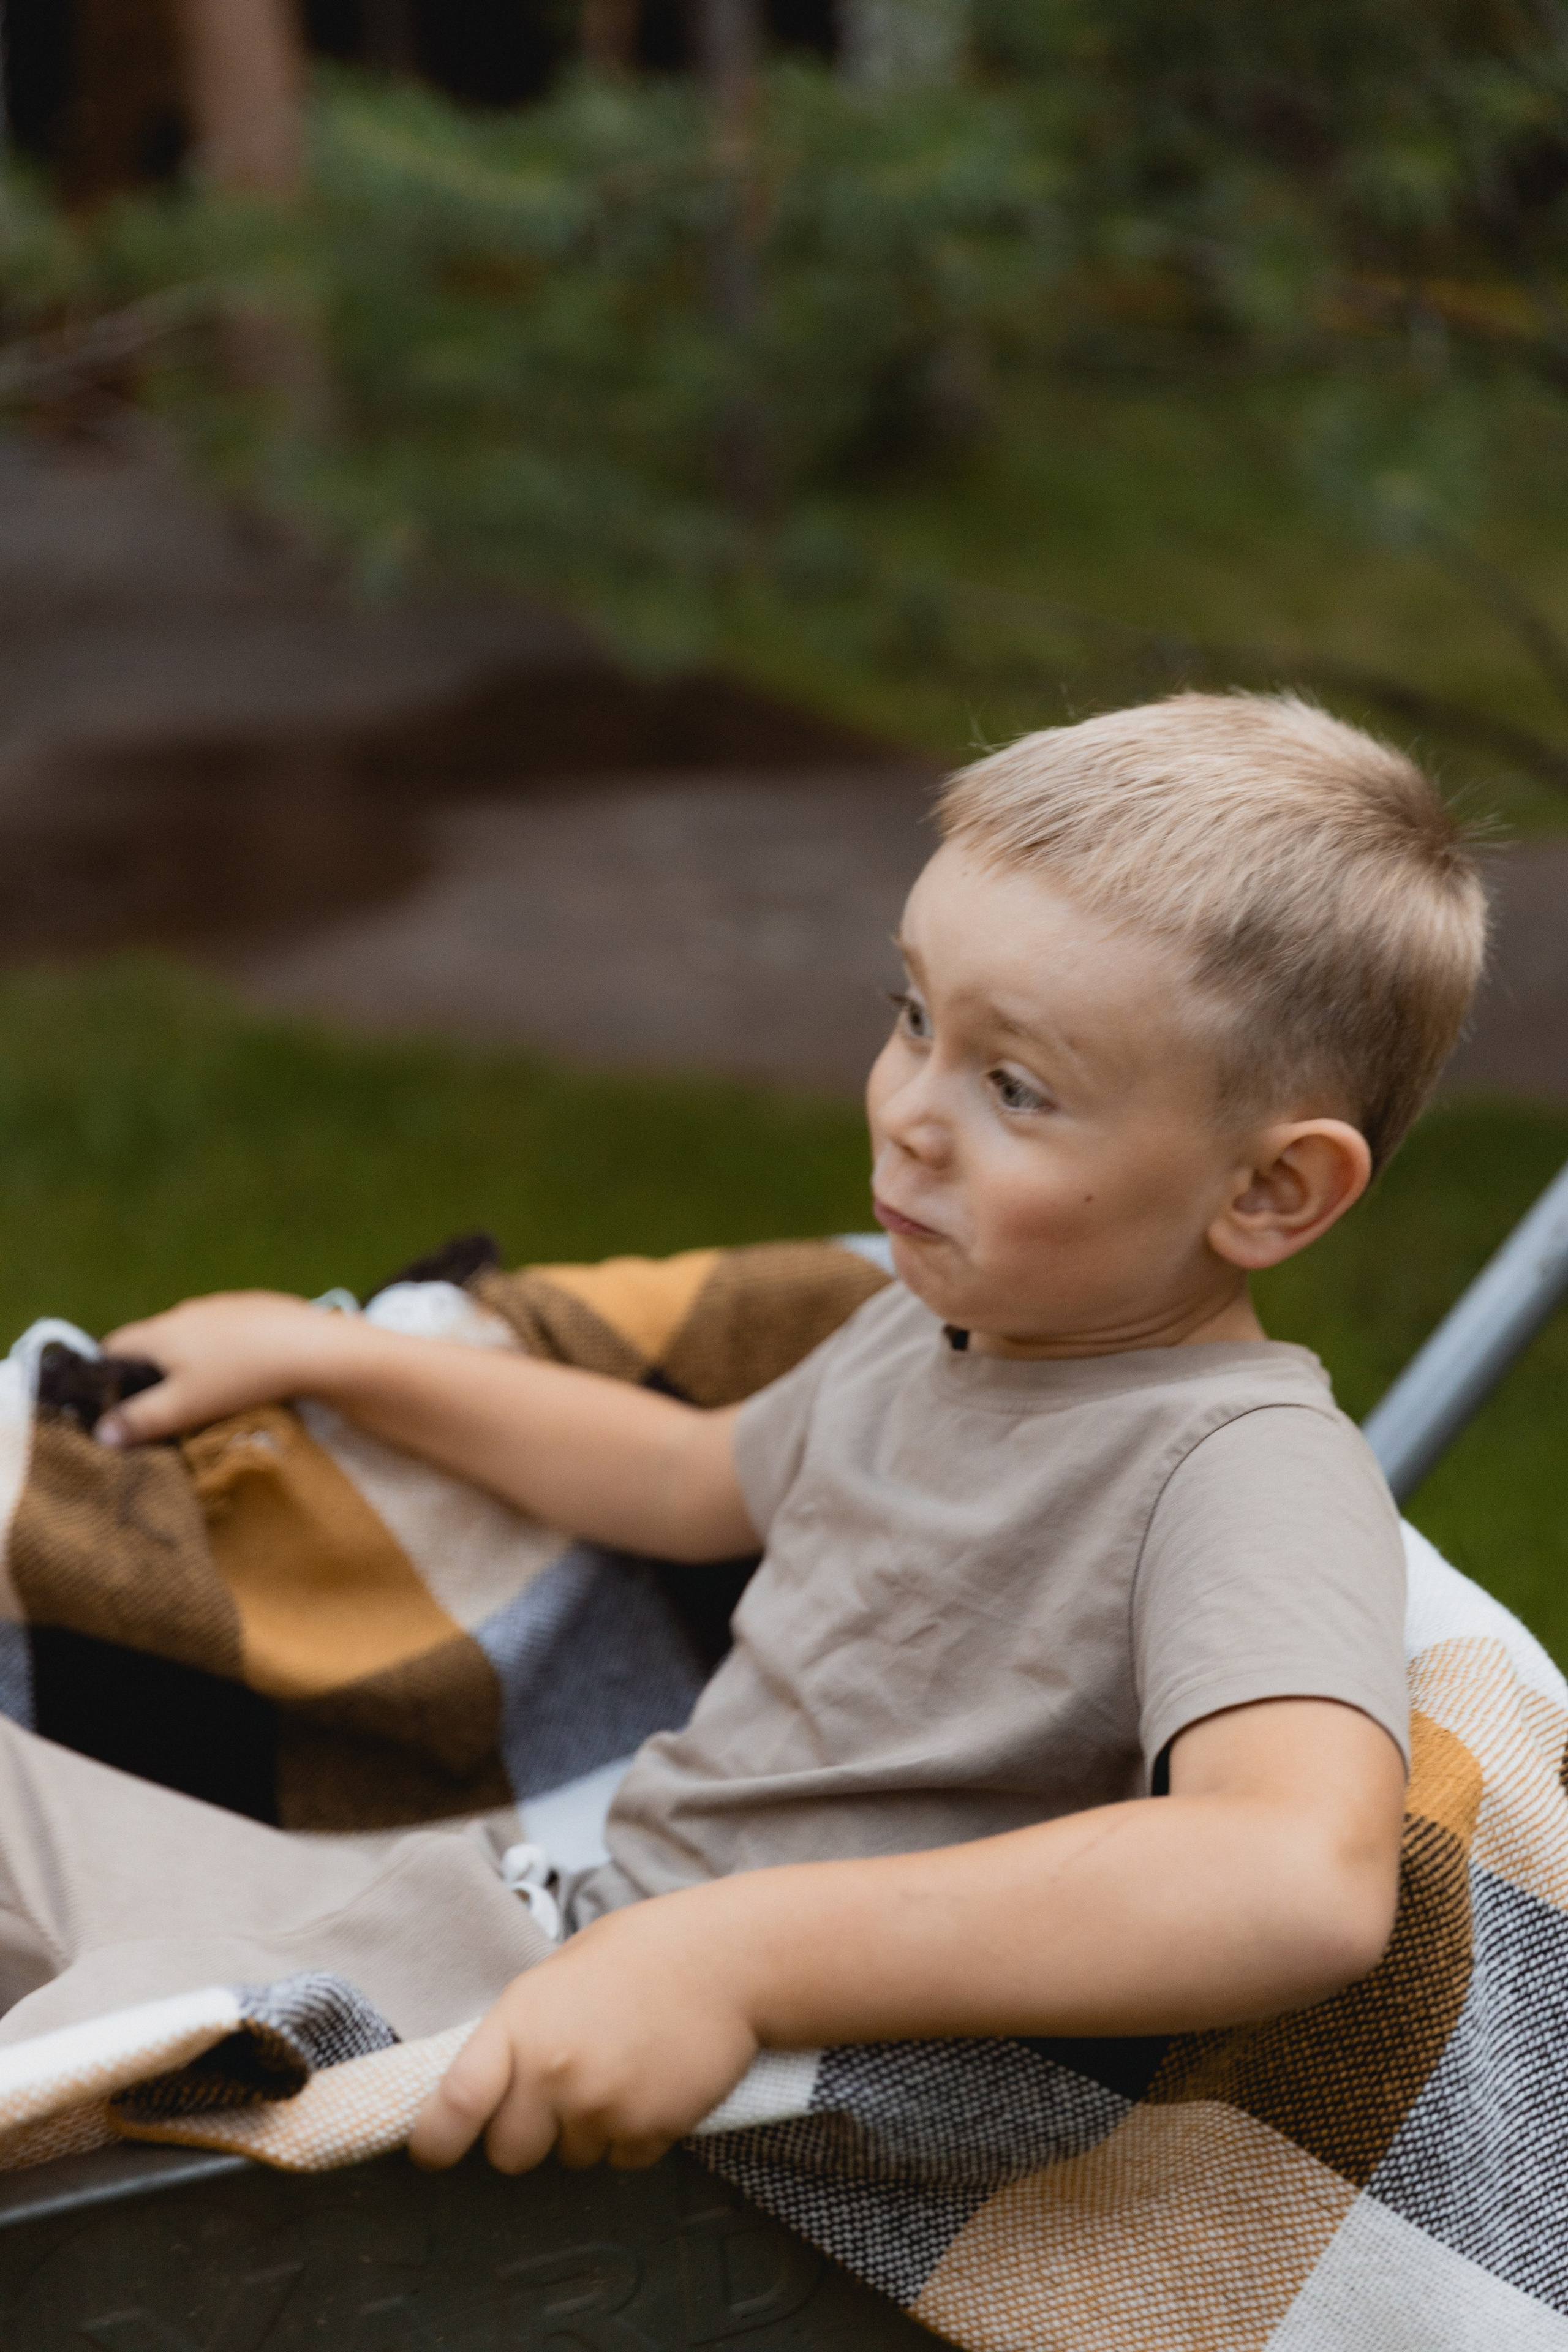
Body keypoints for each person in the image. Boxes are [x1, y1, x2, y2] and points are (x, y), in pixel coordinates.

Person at [51, 692, 1488, 2176]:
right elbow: (681, 1476)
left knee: (76, 2074)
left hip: (618, 2062)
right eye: (915, 1017)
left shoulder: (1241, 1471)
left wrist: (729, 1964)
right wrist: (330, 1352)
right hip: (546, 1918)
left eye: (1013, 1086)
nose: (907, 1117)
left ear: (1268, 1194)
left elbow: (1290, 1877)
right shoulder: (929, 1326)